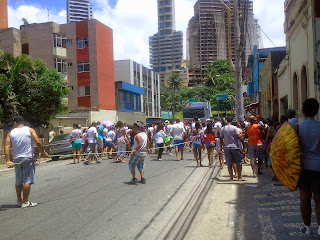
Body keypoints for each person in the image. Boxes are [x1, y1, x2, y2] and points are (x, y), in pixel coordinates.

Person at [4, 116, 48, 208]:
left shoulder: (11, 133)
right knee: (27, 180)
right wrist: (43, 152)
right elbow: (38, 142)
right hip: (28, 158)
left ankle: (19, 201)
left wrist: (8, 160)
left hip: (17, 159)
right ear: (22, 122)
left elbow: (6, 146)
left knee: (19, 180)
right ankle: (25, 202)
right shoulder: (30, 130)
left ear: (15, 123)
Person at [295, 98, 320, 236]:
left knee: (305, 199)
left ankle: (307, 227)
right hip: (318, 167)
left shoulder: (298, 127)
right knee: (319, 199)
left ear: (303, 111)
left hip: (303, 167)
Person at [220, 116, 245, 181]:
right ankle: (239, 177)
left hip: (227, 147)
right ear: (232, 121)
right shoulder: (235, 128)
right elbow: (238, 136)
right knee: (239, 162)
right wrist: (242, 138)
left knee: (229, 163)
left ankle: (231, 177)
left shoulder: (223, 128)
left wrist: (221, 147)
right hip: (235, 147)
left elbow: (221, 138)